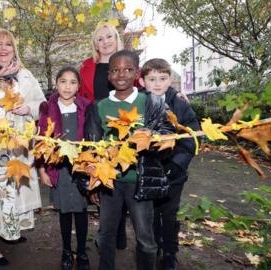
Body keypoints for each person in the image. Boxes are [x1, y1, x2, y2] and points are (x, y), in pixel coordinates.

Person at [84, 50, 173, 270]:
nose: (120, 74)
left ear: (136, 73)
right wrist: (93, 179)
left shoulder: (151, 102)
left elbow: (168, 135)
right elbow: (92, 146)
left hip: (140, 181)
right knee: (106, 235)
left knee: (146, 239)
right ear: (108, 75)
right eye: (114, 70)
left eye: (127, 69)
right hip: (110, 183)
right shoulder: (99, 106)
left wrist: (154, 141)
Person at [0, 29, 46, 266]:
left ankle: (9, 229)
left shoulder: (24, 75)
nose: (3, 49)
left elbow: (42, 104)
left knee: (13, 188)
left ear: (14, 49)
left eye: (8, 45)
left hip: (15, 146)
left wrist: (29, 109)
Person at [139, 58, 200, 270]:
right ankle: (153, 247)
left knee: (170, 214)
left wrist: (178, 164)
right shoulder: (138, 104)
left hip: (174, 172)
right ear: (142, 81)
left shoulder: (180, 105)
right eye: (152, 79)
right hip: (148, 172)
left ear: (170, 80)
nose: (157, 84)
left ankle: (170, 253)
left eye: (162, 79)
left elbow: (191, 136)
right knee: (151, 214)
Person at [78, 23, 128, 251]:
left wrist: (173, 93)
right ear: (95, 44)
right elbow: (79, 97)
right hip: (96, 131)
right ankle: (108, 231)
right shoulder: (87, 66)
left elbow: (145, 88)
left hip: (122, 129)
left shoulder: (128, 62)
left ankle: (118, 230)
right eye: (100, 38)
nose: (105, 41)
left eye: (109, 36)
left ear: (116, 38)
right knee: (102, 179)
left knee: (123, 178)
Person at [37, 66, 91, 270]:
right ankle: (66, 250)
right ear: (56, 83)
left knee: (81, 211)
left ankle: (83, 252)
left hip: (81, 168)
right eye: (63, 81)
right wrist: (42, 170)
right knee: (65, 212)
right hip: (58, 170)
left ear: (78, 86)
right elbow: (41, 140)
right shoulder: (47, 108)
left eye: (73, 82)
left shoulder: (86, 107)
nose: (67, 86)